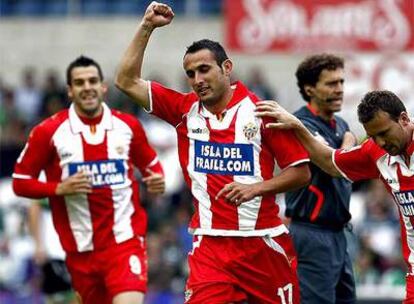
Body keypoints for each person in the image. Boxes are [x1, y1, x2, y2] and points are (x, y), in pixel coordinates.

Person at [115, 2, 311, 303]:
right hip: (210, 247)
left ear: (226, 68)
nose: (197, 80)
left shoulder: (263, 113)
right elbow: (126, 81)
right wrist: (146, 27)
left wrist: (256, 188)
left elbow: (301, 172)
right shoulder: (183, 111)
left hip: (263, 244)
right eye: (190, 73)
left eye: (204, 69)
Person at [12, 55, 165, 304]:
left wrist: (156, 177)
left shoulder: (127, 126)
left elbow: (150, 163)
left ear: (102, 86)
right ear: (70, 91)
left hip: (124, 243)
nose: (87, 87)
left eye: (92, 81)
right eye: (80, 83)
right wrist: (58, 188)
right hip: (80, 253)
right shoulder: (48, 132)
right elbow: (20, 181)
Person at [255, 90, 414, 303]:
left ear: (404, 119)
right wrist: (298, 126)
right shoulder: (376, 152)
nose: (381, 142)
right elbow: (330, 162)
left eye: (384, 133)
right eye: (374, 136)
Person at [284, 54, 356, 304]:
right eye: (331, 84)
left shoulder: (340, 123)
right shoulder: (300, 124)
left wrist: (348, 137)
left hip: (337, 233)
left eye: (341, 83)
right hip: (311, 233)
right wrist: (350, 140)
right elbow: (334, 163)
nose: (339, 90)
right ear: (309, 89)